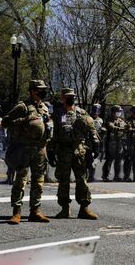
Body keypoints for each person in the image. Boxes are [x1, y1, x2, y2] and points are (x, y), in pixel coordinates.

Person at [2, 80, 52, 224]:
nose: (43, 92)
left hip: (40, 149)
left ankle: (35, 211)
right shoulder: (22, 106)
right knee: (21, 180)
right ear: (32, 90)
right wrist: (26, 119)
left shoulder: (44, 107)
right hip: (24, 148)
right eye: (40, 89)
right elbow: (5, 122)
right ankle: (16, 212)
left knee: (38, 181)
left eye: (44, 89)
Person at [48, 88, 99, 220]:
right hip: (63, 151)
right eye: (68, 96)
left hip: (79, 151)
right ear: (62, 98)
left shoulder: (81, 113)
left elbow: (91, 129)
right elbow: (53, 134)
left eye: (73, 96)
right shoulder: (57, 114)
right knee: (63, 181)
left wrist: (96, 145)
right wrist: (51, 150)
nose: (71, 98)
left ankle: (84, 208)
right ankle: (65, 208)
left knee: (82, 180)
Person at [102, 105, 127, 182]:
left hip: (119, 144)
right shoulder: (109, 120)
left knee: (118, 161)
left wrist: (128, 128)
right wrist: (121, 128)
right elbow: (111, 126)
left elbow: (126, 127)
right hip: (110, 144)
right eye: (117, 112)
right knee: (109, 160)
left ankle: (117, 176)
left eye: (119, 112)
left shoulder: (121, 121)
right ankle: (105, 176)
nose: (119, 113)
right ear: (113, 112)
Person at [87, 104, 104, 183]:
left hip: (96, 142)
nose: (95, 114)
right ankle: (88, 176)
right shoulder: (88, 119)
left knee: (94, 160)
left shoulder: (100, 120)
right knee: (88, 160)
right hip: (89, 142)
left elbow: (99, 131)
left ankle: (91, 176)